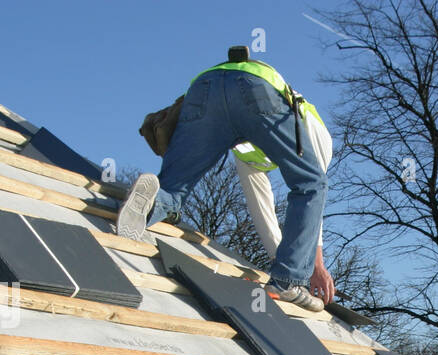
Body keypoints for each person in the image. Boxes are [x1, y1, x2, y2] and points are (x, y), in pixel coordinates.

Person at [117, 46, 334, 312]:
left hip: (203, 89)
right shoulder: (314, 132)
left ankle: (153, 203)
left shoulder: (248, 149)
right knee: (312, 184)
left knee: (174, 188)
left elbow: (260, 207)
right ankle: (289, 281)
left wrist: (280, 259)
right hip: (255, 90)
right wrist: (312, 266)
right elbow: (311, 190)